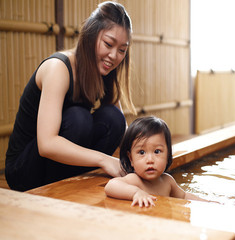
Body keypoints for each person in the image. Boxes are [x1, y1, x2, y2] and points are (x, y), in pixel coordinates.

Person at [5, 1, 136, 191]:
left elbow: (120, 126)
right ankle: (60, 188)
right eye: (108, 44)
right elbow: (47, 144)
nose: (114, 55)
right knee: (79, 118)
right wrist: (104, 160)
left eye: (122, 50)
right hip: (24, 170)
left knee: (113, 118)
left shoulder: (104, 68)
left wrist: (143, 158)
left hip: (60, 166)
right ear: (91, 35)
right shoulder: (59, 67)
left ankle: (77, 183)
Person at [105, 116, 206, 207]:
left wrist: (206, 202)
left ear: (167, 156)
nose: (150, 160)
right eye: (141, 152)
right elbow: (111, 186)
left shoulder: (167, 181)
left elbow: (183, 196)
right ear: (131, 159)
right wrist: (135, 193)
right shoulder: (135, 180)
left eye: (157, 151)